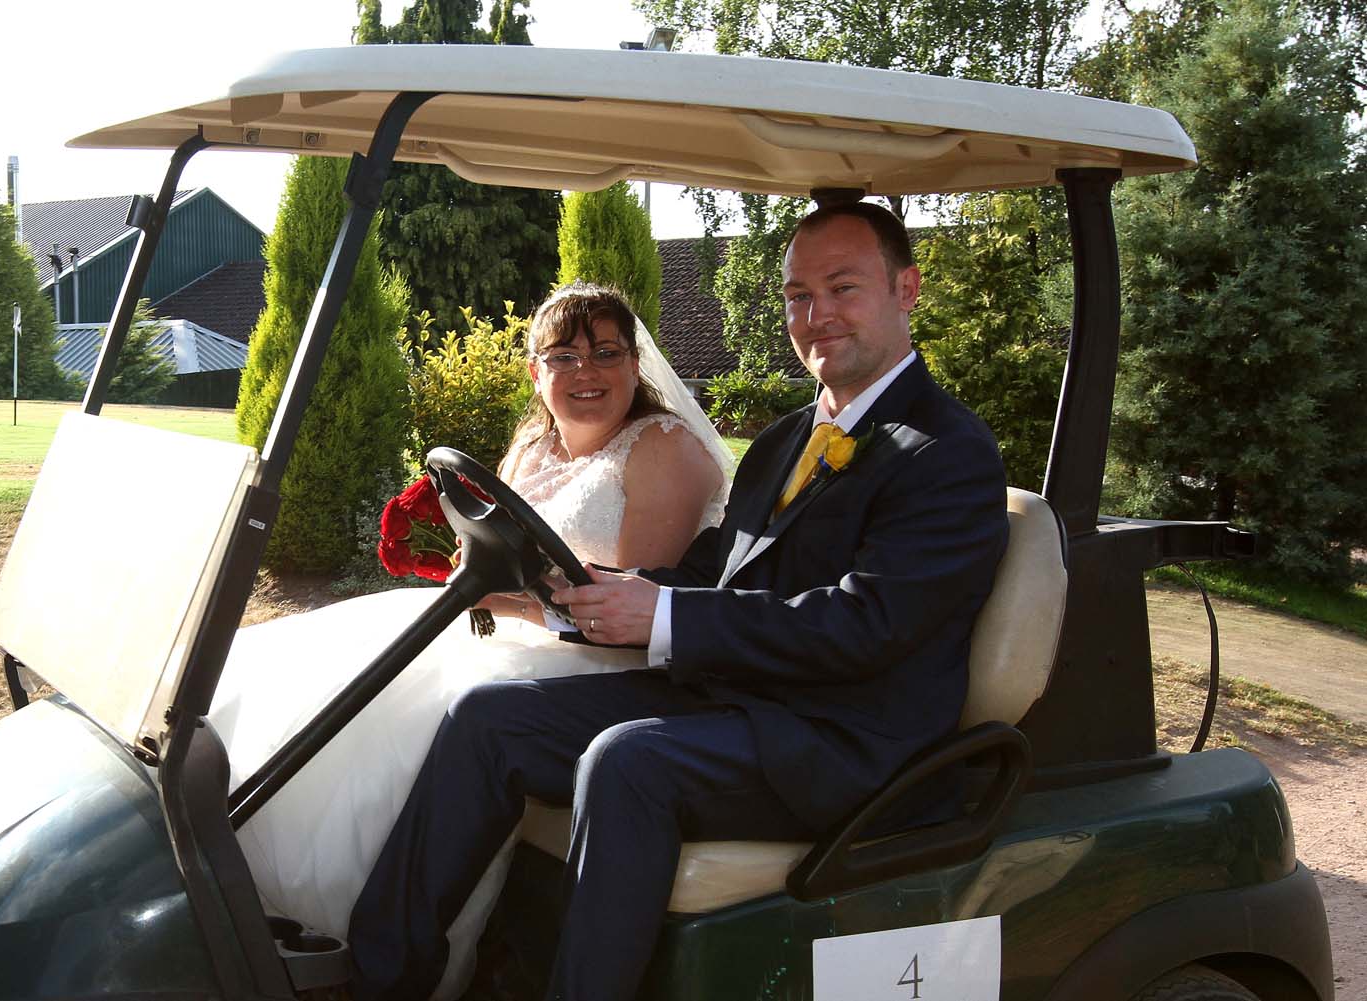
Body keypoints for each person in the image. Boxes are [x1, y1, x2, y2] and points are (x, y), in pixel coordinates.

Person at [347, 201, 1011, 1001]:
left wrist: (665, 618)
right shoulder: (782, 441)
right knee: (487, 719)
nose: (817, 315)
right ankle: (378, 979)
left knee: (627, 761)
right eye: (799, 295)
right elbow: (709, 575)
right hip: (741, 704)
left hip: (848, 742)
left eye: (843, 288)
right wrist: (572, 598)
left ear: (907, 288)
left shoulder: (948, 452)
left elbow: (869, 624)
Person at [206, 283, 730, 1001]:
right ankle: (244, 898)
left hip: (603, 661)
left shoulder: (665, 451)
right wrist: (484, 588)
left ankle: (363, 953)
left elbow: (625, 617)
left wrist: (503, 601)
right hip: (522, 631)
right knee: (315, 656)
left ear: (636, 366)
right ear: (534, 371)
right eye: (565, 355)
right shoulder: (534, 445)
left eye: (608, 353)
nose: (587, 372)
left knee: (419, 704)